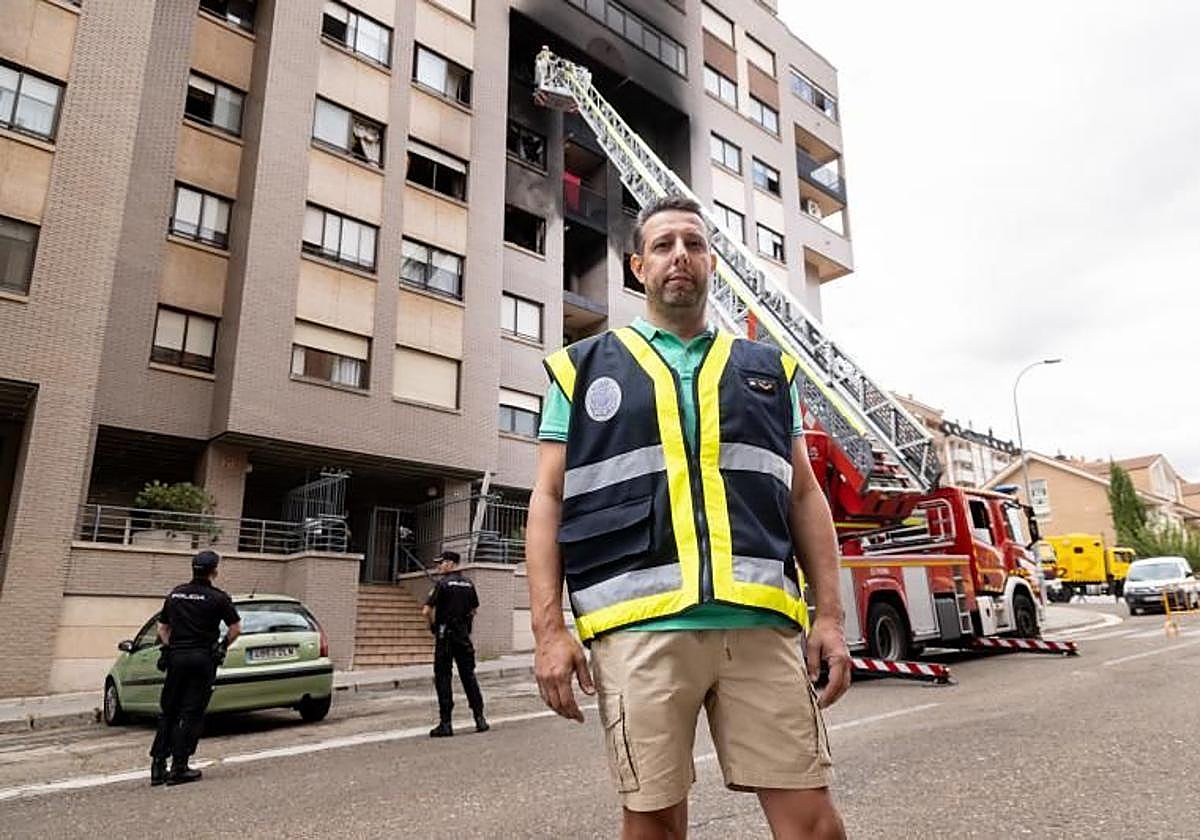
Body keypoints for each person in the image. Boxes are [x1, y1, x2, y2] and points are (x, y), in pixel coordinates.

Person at [527, 194, 852, 839]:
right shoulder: (581, 370)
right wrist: (548, 632)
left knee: (813, 824)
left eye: (695, 244)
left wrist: (832, 617)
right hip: (638, 630)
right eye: (664, 245)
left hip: (759, 627)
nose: (681, 255)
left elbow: (805, 496)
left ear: (711, 264)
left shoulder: (766, 370)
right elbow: (548, 499)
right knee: (653, 827)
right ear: (637, 266)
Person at [150, 549, 241, 786]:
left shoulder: (176, 595)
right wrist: (221, 646)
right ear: (214, 572)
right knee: (191, 712)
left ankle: (158, 765)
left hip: (177, 658)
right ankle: (179, 766)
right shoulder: (218, 598)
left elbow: (162, 629)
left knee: (168, 710)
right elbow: (235, 628)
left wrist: (171, 648)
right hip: (202, 659)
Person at [423, 550, 489, 737]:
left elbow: (426, 611)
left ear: (451, 563)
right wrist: (465, 625)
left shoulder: (442, 584)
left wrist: (433, 627)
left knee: (443, 678)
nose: (439, 566)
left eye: (441, 563)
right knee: (468, 676)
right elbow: (474, 609)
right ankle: (480, 718)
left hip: (445, 638)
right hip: (463, 637)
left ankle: (446, 723)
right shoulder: (469, 584)